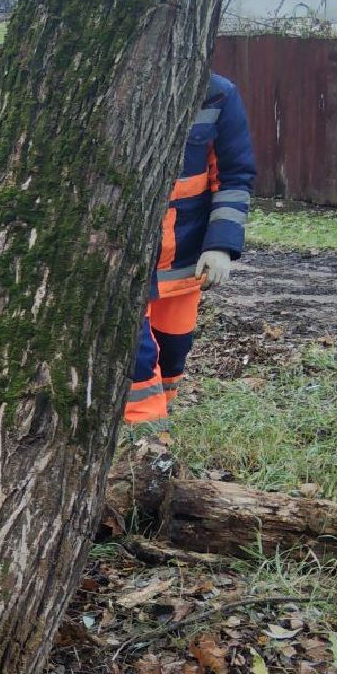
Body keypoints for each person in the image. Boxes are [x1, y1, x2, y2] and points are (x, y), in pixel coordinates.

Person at [126, 73, 256, 424]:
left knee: (173, 353)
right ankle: (144, 433)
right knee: (134, 354)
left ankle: (160, 418)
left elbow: (234, 176)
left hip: (184, 258)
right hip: (123, 260)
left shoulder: (217, 95)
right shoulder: (113, 81)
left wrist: (221, 246)